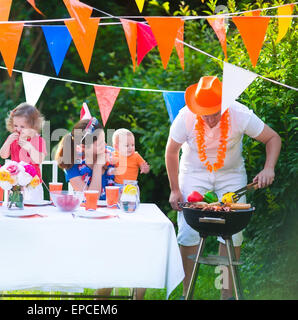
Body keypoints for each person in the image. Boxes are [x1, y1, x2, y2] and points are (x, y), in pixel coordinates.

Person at [165, 76, 281, 299]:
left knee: (233, 232)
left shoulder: (240, 114)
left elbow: (273, 138)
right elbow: (171, 151)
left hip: (232, 175)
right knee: (188, 231)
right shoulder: (186, 116)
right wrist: (175, 189)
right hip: (193, 172)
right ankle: (186, 291)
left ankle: (226, 294)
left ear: (224, 106)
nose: (210, 120)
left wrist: (269, 168)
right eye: (205, 114)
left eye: (215, 114)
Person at [55, 119, 146, 300]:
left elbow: (130, 185)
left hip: (115, 218)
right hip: (89, 223)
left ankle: (137, 297)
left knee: (141, 248)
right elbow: (91, 199)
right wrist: (98, 167)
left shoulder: (113, 155)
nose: (107, 146)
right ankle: (101, 298)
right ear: (86, 147)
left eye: (106, 141)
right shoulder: (73, 164)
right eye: (102, 142)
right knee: (113, 256)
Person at [0, 103, 47, 201]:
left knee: (33, 208)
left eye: (23, 126)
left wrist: (29, 147)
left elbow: (39, 159)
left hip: (33, 183)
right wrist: (8, 142)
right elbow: (3, 155)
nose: (18, 129)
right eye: (15, 125)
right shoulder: (12, 139)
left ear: (33, 127)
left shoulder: (37, 140)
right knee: (16, 208)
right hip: (15, 181)